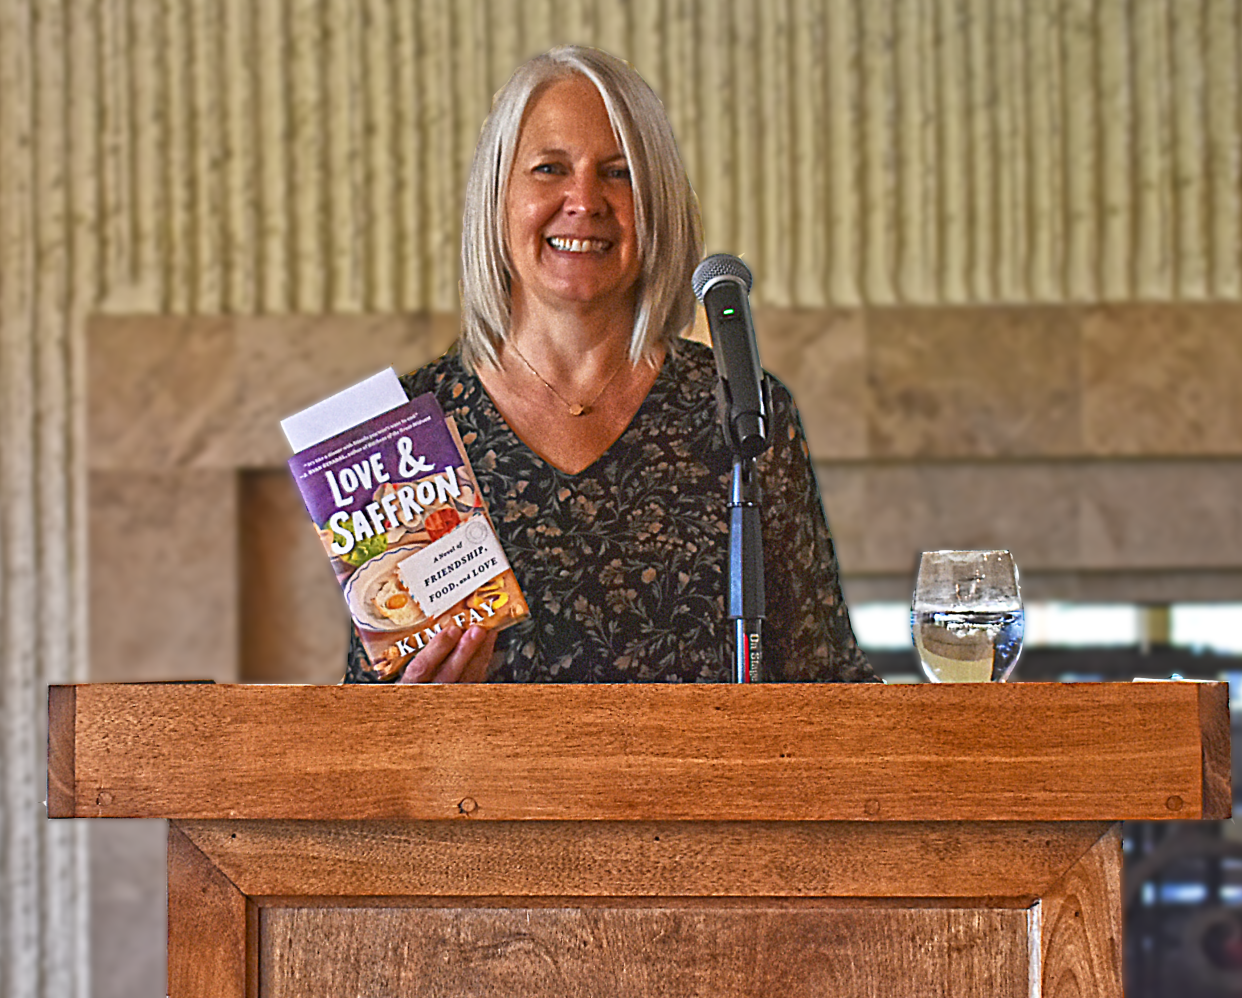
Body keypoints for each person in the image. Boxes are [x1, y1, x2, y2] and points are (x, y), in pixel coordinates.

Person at [344, 45, 877, 685]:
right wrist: (410, 710)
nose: (584, 199)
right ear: (498, 198)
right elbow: (366, 715)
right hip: (486, 789)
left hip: (702, 788)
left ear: (657, 204)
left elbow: (829, 680)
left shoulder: (742, 411)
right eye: (548, 168)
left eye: (618, 172)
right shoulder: (405, 430)